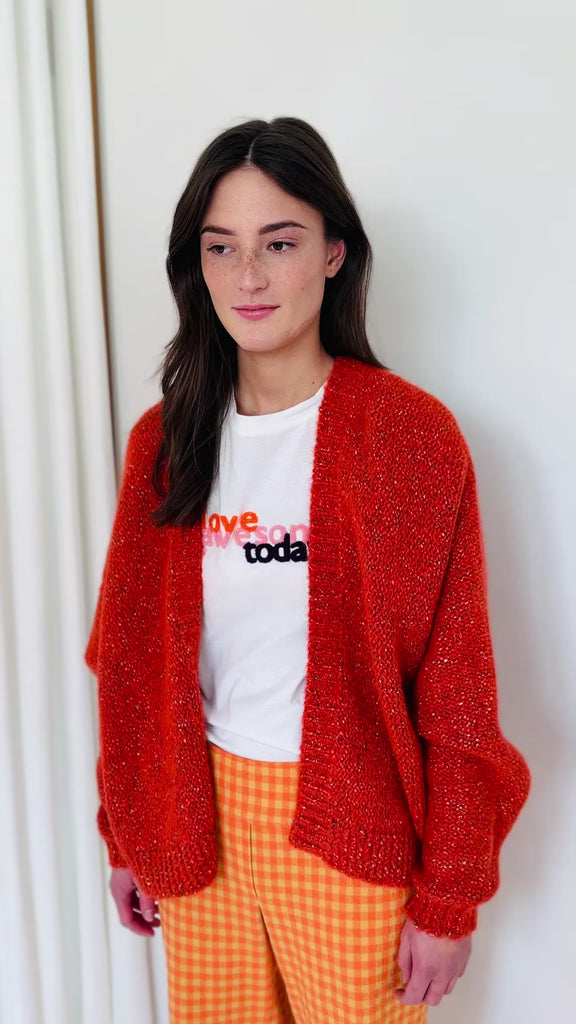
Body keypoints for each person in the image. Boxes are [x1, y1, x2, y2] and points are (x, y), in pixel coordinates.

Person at [84, 117, 531, 1023]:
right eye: (221, 247)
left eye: (279, 243)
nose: (248, 277)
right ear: (197, 266)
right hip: (196, 824)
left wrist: (449, 897)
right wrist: (128, 833)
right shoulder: (164, 445)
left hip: (350, 829)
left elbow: (458, 687)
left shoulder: (410, 438)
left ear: (333, 253)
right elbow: (130, 667)